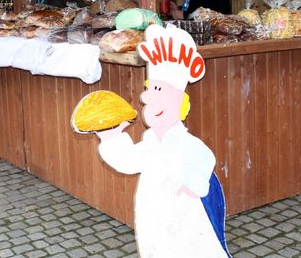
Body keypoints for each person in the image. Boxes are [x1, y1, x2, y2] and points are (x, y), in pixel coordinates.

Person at [96, 25, 230, 257]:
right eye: (150, 92)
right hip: (155, 220)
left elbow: (205, 158)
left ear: (180, 104)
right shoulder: (151, 143)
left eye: (158, 90)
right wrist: (110, 137)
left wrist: (192, 187)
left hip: (185, 220)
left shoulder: (185, 143)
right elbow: (129, 161)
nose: (147, 97)